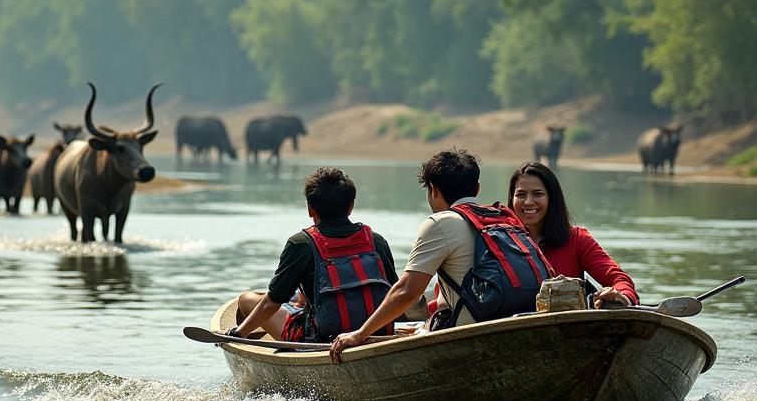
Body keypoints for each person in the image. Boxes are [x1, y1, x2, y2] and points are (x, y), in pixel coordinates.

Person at [330, 147, 547, 362]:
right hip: (523, 324)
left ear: (433, 190)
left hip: (473, 335)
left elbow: (407, 291)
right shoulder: (504, 218)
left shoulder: (441, 223)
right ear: (477, 188)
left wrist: (360, 335)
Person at [231, 167, 399, 342]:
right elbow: (396, 293)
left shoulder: (300, 244)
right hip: (376, 333)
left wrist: (238, 334)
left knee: (247, 300)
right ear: (351, 207)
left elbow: (271, 303)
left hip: (321, 339)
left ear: (310, 209)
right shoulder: (375, 241)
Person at [507, 161, 638, 308]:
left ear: (552, 198)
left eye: (538, 194)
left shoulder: (577, 240)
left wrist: (621, 297)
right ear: (512, 199)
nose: (528, 202)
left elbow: (620, 279)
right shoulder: (500, 244)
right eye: (521, 194)